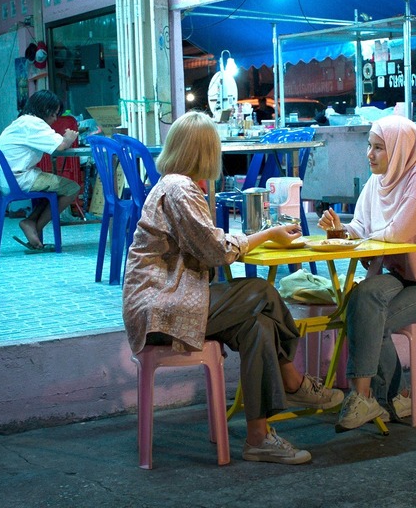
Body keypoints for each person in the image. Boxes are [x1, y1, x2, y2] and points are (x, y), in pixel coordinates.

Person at [122, 111, 343, 465]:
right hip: (162, 309)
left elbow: (207, 244)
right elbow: (216, 251)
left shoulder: (172, 185)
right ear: (206, 152)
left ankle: (258, 438)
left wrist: (256, 237)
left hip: (174, 300)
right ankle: (294, 381)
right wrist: (267, 235)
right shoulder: (179, 189)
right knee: (262, 292)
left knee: (259, 325)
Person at [317, 115, 416, 432]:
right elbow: (360, 228)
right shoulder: (378, 182)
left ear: (400, 149)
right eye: (369, 146)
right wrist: (339, 230)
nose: (369, 154)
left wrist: (360, 237)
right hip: (405, 277)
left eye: (379, 148)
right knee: (362, 297)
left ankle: (369, 396)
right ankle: (394, 396)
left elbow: (398, 232)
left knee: (374, 318)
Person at [0, 90, 81, 251]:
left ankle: (31, 222)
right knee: (72, 188)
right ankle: (34, 227)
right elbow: (60, 146)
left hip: (4, 180)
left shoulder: (22, 122)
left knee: (55, 188)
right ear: (45, 110)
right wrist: (69, 138)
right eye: (54, 114)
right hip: (17, 179)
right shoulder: (33, 124)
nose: (55, 119)